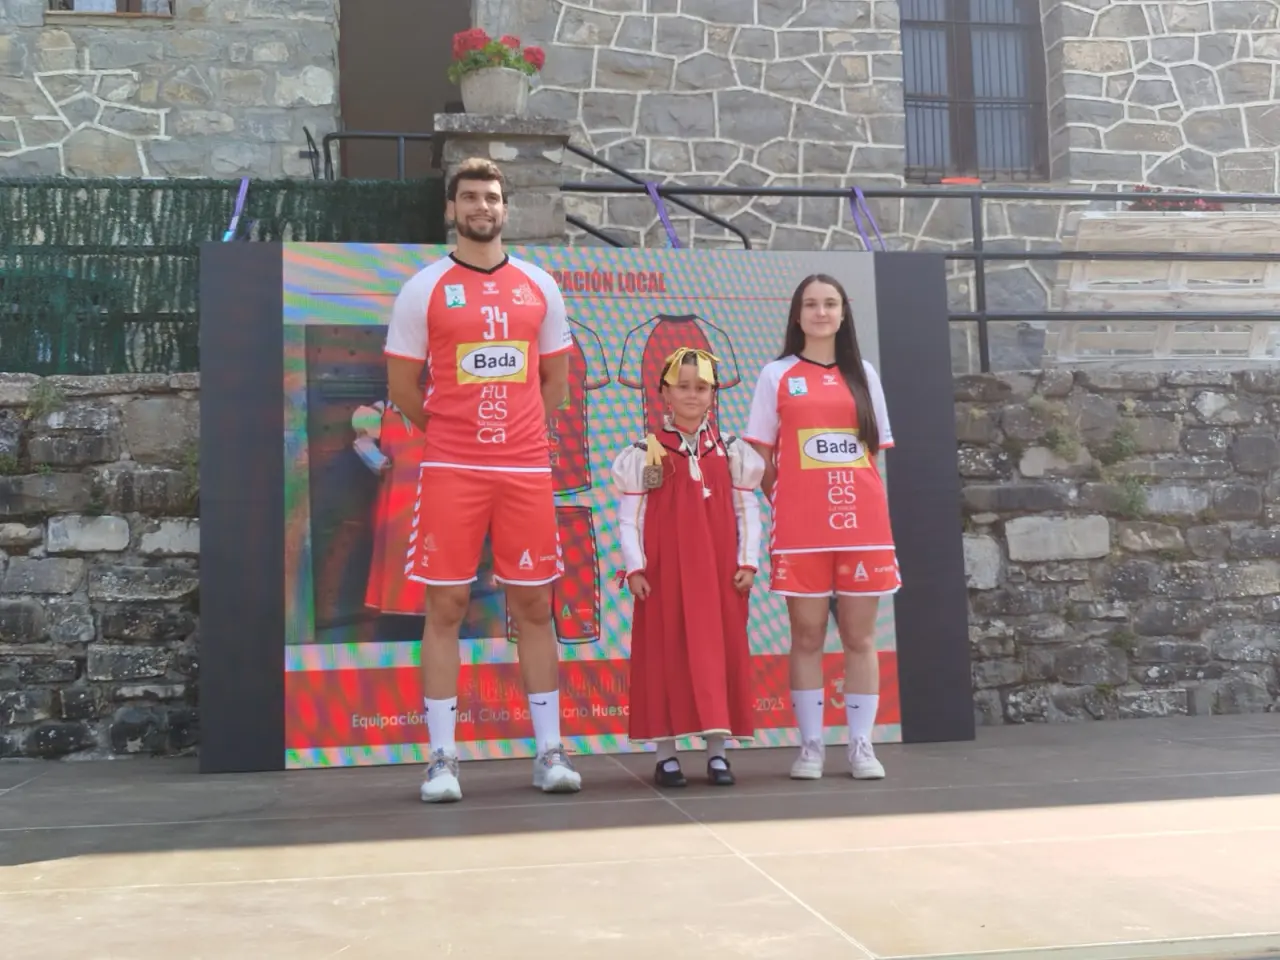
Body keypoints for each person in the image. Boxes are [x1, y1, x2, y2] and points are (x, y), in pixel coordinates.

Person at [383, 157, 581, 803]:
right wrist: (452, 432)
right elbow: (402, 387)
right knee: (445, 607)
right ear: (451, 208)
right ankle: (441, 760)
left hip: (523, 469)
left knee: (535, 607)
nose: (482, 207)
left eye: (492, 197)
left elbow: (555, 383)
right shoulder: (423, 289)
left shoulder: (539, 285)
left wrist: (517, 433)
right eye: (470, 197)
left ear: (504, 208)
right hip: (452, 469)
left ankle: (549, 753)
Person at [745, 274, 900, 782]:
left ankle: (861, 747)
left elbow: (874, 450)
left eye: (830, 303)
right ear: (797, 314)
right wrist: (787, 498)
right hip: (801, 528)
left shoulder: (864, 374)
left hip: (862, 525)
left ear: (843, 313)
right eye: (811, 304)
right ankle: (810, 747)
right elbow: (761, 454)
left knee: (860, 636)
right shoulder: (776, 375)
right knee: (807, 635)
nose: (821, 312)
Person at [611, 347, 765, 787]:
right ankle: (666, 757)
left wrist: (749, 561)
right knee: (665, 657)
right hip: (665, 576)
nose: (692, 395)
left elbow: (747, 511)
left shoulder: (732, 452)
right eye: (683, 387)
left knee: (718, 655)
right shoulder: (645, 453)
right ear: (664, 392)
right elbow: (631, 517)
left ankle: (718, 755)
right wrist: (636, 568)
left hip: (719, 574)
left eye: (701, 387)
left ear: (714, 394)